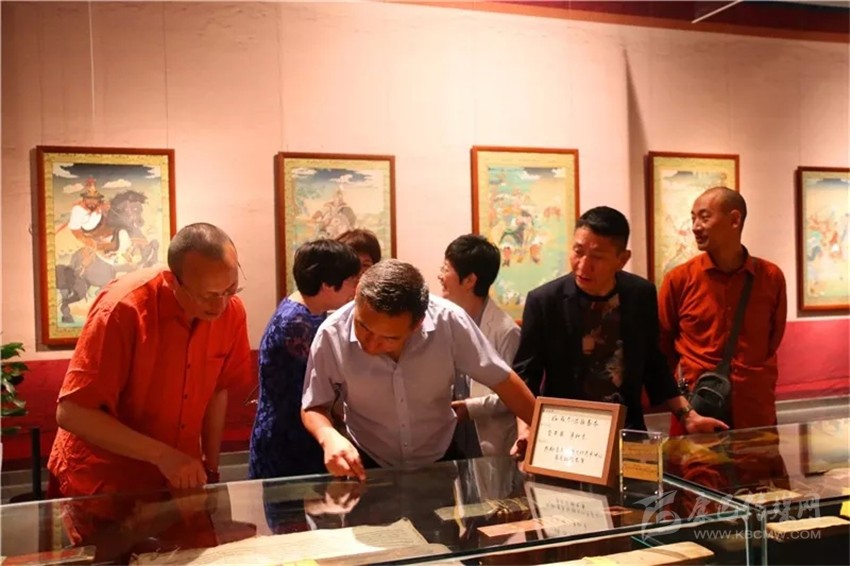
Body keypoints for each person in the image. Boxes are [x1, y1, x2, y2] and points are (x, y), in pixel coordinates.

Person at [48, 222, 252, 497]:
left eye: (231, 290)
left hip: (179, 478)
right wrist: (163, 456)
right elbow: (72, 412)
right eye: (208, 296)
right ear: (172, 280)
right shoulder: (123, 309)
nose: (221, 306)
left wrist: (211, 467)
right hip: (102, 480)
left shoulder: (231, 312)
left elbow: (218, 390)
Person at [301, 259, 537, 480]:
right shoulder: (331, 334)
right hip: (369, 461)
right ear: (357, 298)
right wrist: (328, 436)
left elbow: (503, 381)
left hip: (440, 458)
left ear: (417, 324)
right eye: (362, 327)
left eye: (389, 338)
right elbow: (313, 405)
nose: (370, 345)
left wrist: (540, 434)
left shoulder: (449, 322)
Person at [512, 206, 727, 442]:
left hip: (627, 430)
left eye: (597, 257)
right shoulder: (544, 301)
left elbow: (654, 364)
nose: (583, 265)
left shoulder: (640, 294)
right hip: (565, 433)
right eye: (578, 251)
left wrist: (688, 416)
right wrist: (526, 430)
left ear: (622, 259)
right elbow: (526, 375)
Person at [659, 187, 787, 432]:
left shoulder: (770, 277)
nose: (695, 227)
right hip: (697, 410)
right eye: (693, 218)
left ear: (735, 220)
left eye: (704, 217)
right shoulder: (680, 279)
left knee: (759, 458)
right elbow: (663, 348)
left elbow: (773, 340)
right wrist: (683, 409)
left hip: (754, 408)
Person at [249, 239, 361, 479]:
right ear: (327, 284)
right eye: (352, 281)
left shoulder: (305, 309)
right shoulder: (296, 324)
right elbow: (316, 387)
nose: (355, 289)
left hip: (296, 430)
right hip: (289, 438)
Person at [438, 234, 520, 457]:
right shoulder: (447, 320)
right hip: (451, 437)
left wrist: (471, 407)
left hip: (488, 438)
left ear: (469, 280)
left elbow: (515, 396)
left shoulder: (506, 331)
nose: (440, 276)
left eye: (445, 269)